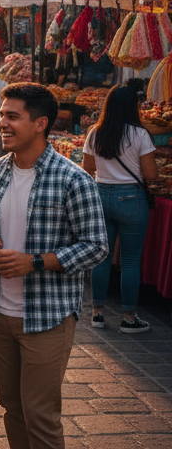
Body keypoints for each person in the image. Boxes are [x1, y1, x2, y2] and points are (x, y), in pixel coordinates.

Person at [0, 84, 107, 449]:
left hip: (47, 314)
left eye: (12, 116)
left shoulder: (73, 178)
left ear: (40, 124)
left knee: (40, 411)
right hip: (0, 309)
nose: (2, 123)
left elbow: (96, 247)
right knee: (11, 404)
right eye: (2, 114)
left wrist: (37, 262)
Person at [81, 86, 156, 334]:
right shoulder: (140, 134)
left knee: (101, 258)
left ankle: (97, 313)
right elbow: (151, 174)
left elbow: (87, 168)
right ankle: (128, 318)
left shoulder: (95, 132)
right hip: (131, 199)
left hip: (101, 196)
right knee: (130, 261)